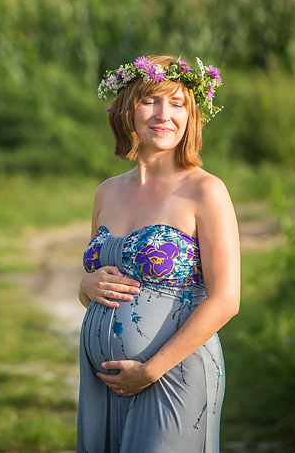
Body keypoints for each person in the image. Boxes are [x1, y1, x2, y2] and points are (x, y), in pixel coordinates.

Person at [76, 54, 240, 453]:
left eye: (178, 103)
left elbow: (226, 301)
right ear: (127, 109)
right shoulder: (107, 191)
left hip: (173, 376)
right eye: (150, 100)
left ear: (191, 115)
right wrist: (86, 284)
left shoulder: (206, 190)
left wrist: (150, 370)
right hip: (104, 384)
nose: (164, 114)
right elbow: (95, 295)